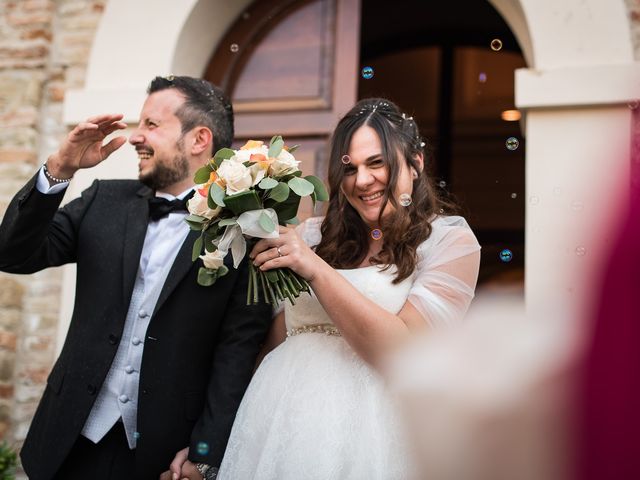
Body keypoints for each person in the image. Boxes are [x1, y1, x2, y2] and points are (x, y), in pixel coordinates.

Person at [191, 98, 481, 479]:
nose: (361, 181)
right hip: (281, 421)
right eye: (350, 168)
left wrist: (315, 269)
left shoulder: (449, 242)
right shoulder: (312, 236)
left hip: (376, 434)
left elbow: (403, 354)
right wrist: (209, 447)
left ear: (416, 163)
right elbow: (273, 344)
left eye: (377, 163)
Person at [0, 76, 272, 480]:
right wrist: (61, 167)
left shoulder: (246, 233)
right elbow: (13, 253)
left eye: (151, 125)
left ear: (199, 139)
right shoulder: (102, 200)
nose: (135, 138)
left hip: (163, 458)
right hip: (67, 442)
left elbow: (237, 352)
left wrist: (205, 452)